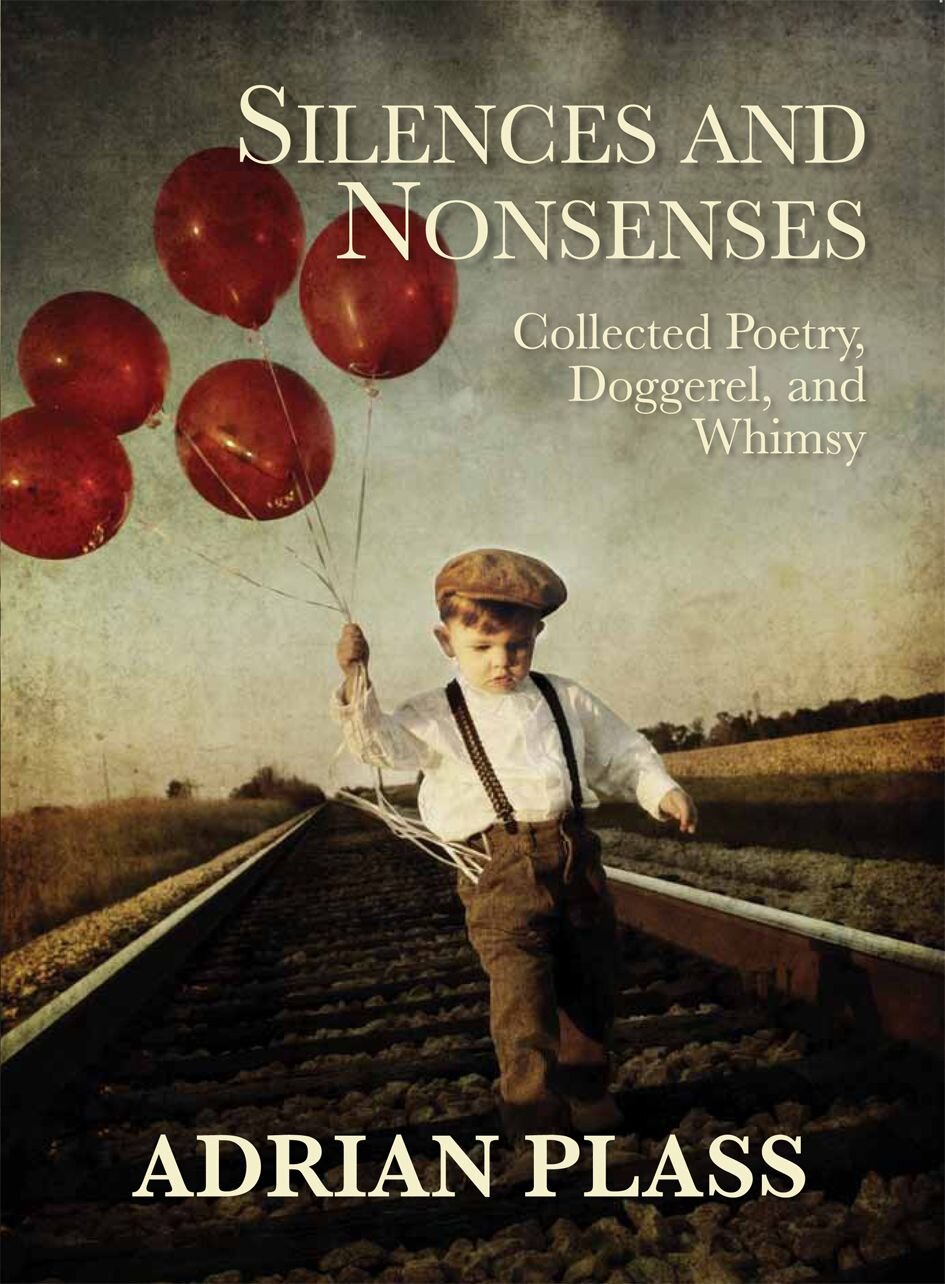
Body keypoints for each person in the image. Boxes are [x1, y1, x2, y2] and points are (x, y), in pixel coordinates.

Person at [332, 548, 697, 1139]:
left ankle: (587, 1089)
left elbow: (622, 752)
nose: (502, 662)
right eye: (482, 648)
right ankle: (532, 1118)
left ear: (536, 635)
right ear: (446, 641)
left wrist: (661, 790)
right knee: (522, 1000)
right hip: (497, 871)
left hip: (576, 858)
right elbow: (379, 745)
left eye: (517, 646)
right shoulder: (435, 713)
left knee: (591, 982)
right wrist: (356, 678)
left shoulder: (564, 698)